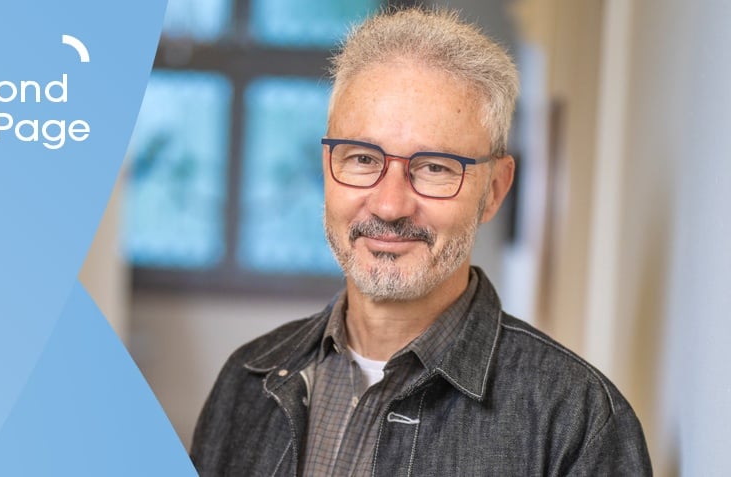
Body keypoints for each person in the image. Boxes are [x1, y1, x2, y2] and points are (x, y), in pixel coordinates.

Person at [190, 7, 652, 476]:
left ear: (494, 189)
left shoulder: (577, 422)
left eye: (434, 167)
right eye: (362, 159)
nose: (390, 206)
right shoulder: (246, 382)